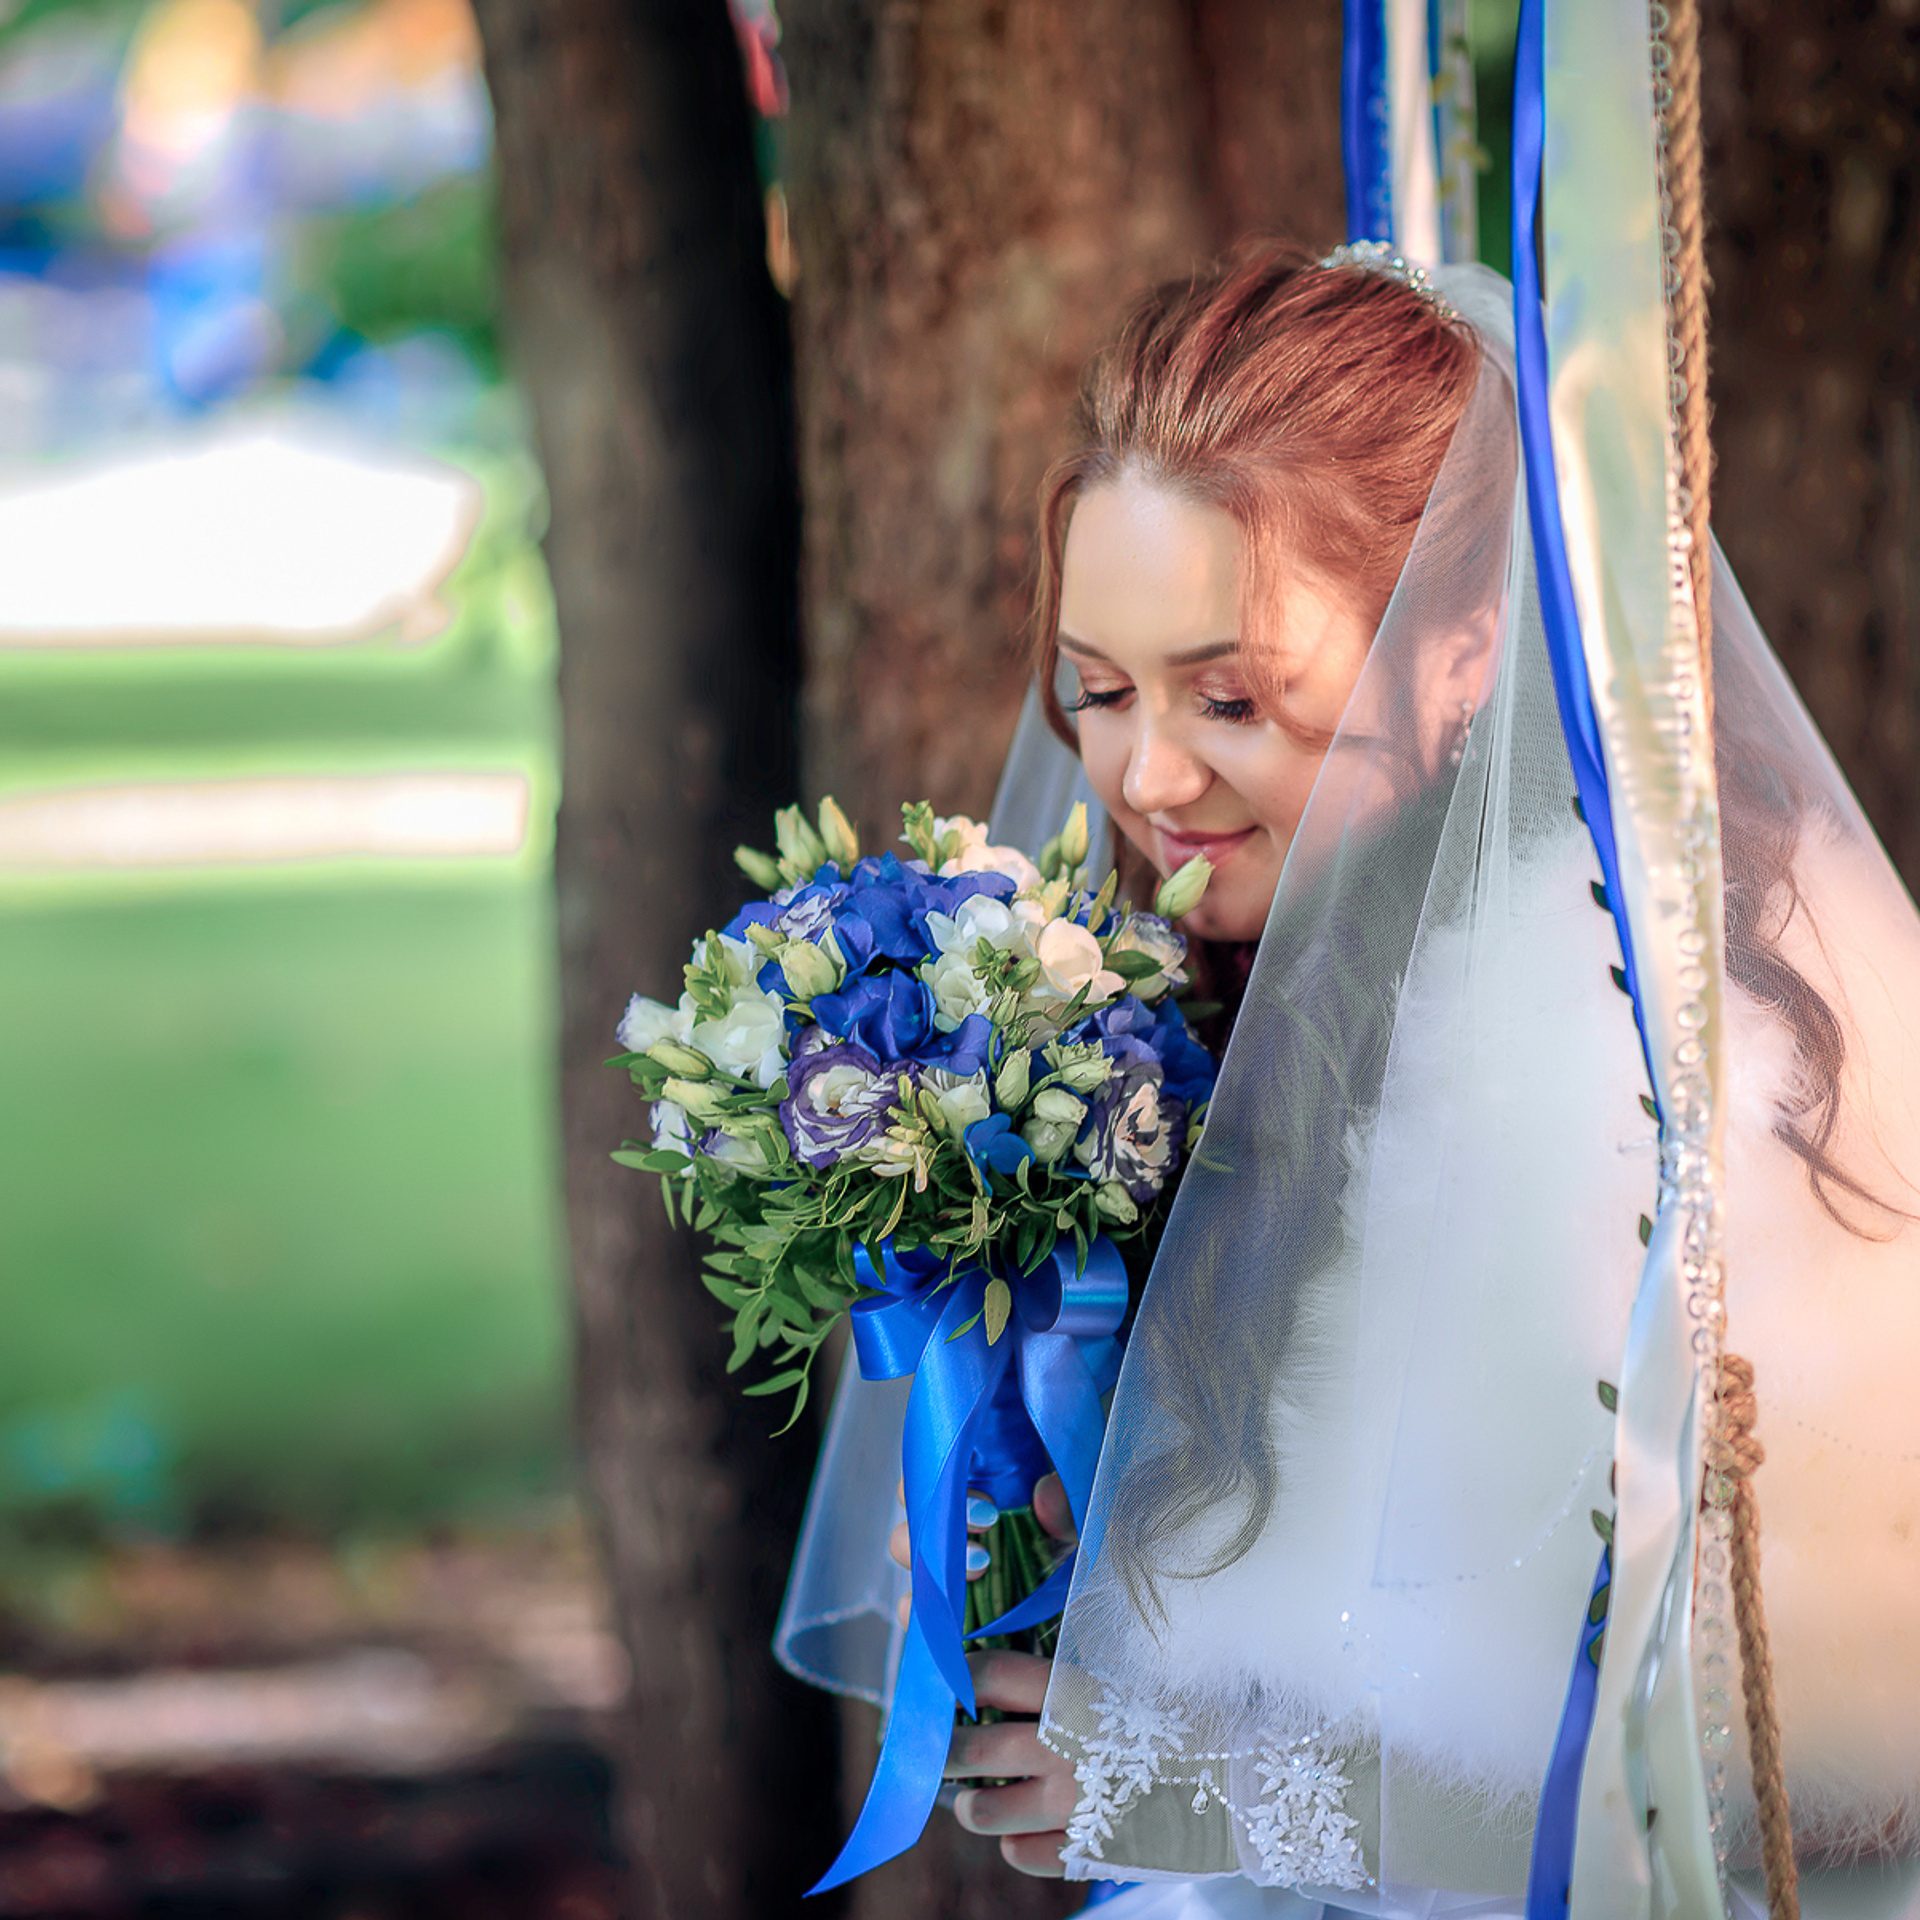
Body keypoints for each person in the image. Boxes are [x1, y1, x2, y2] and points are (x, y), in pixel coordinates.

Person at [787, 241, 1920, 1919]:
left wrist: (1200, 1793)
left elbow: (1842, 1772)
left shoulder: (1595, 1057)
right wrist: (1087, 1537)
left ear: (1462, 649)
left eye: (1230, 696)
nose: (1146, 773)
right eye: (1098, 690)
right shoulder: (1273, 987)